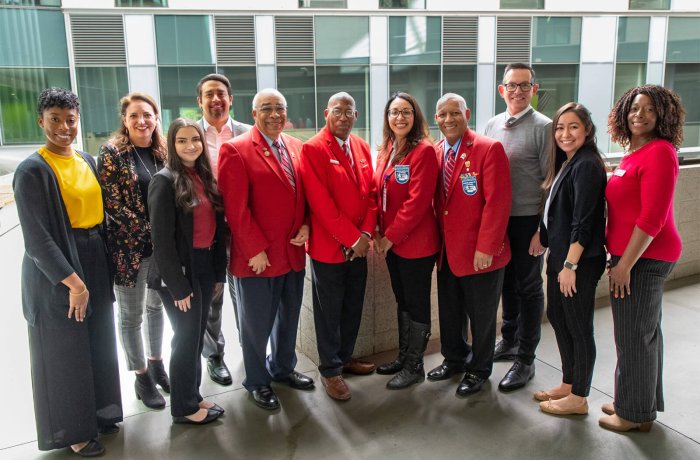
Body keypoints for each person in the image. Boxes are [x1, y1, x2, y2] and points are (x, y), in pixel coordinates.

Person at [13, 87, 123, 456]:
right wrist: (74, 283)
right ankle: (73, 430)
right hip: (58, 270)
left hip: (94, 256)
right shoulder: (33, 170)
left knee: (98, 342)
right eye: (55, 119)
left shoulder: (87, 161)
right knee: (65, 352)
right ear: (41, 120)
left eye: (70, 119)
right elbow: (37, 239)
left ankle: (100, 412)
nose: (63, 127)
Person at [218, 89, 314, 410]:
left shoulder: (297, 147)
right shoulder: (236, 150)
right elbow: (236, 208)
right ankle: (258, 381)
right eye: (267, 109)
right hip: (257, 258)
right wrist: (254, 249)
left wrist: (307, 226)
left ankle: (284, 368)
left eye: (280, 109)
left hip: (292, 252)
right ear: (254, 112)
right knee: (256, 325)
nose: (274, 115)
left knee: (288, 319)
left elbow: (305, 196)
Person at [599, 85, 685, 433]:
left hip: (644, 259)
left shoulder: (661, 152)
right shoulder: (634, 153)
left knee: (635, 336)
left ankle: (635, 415)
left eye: (650, 110)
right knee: (642, 333)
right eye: (635, 108)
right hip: (631, 256)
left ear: (662, 115)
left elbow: (653, 218)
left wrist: (624, 265)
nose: (640, 115)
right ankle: (634, 400)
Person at [429, 93, 512, 396]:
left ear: (467, 113)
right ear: (435, 119)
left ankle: (479, 369)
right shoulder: (436, 151)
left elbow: (498, 202)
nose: (448, 120)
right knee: (450, 312)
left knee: (482, 316)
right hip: (447, 252)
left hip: (480, 253)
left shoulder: (488, 149)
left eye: (454, 113)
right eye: (442, 115)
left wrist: (486, 247)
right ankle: (454, 359)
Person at [148, 118, 226, 425]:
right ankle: (183, 408)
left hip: (205, 267)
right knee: (185, 338)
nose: (190, 145)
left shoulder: (204, 176)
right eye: (182, 140)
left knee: (195, 338)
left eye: (195, 139)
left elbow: (218, 230)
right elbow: (161, 241)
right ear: (172, 143)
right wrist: (178, 287)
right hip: (180, 273)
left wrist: (219, 273)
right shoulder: (163, 181)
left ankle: (191, 394)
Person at [300, 92, 377, 401]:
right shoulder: (313, 148)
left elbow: (371, 193)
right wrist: (352, 238)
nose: (343, 117)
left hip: (359, 247)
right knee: (329, 311)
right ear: (326, 113)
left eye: (349, 112)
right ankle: (330, 370)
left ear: (356, 116)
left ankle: (345, 357)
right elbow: (320, 202)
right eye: (338, 111)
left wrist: (367, 235)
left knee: (352, 306)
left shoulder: (360, 146)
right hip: (330, 249)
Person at [98, 92, 170, 409]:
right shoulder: (112, 153)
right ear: (125, 121)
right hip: (128, 251)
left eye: (147, 115)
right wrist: (154, 231)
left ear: (156, 118)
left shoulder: (164, 153)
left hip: (162, 252)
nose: (142, 121)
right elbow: (112, 204)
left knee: (156, 308)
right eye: (134, 116)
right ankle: (141, 377)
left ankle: (156, 362)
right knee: (131, 317)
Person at [483, 63, 552, 392]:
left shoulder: (544, 127)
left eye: (525, 86)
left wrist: (543, 230)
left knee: (528, 287)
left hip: (528, 222)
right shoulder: (491, 125)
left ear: (534, 90)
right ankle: (508, 340)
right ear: (502, 90)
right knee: (506, 283)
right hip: (499, 221)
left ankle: (526, 357)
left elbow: (550, 184)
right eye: (512, 85)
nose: (518, 91)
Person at [535, 103, 607, 416]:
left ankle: (579, 397)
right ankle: (568, 382)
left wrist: (570, 266)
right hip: (559, 258)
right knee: (559, 317)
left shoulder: (588, 164)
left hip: (576, 263)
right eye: (560, 128)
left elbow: (584, 221)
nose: (565, 134)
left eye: (573, 127)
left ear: (587, 130)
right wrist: (542, 235)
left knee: (579, 327)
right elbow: (556, 208)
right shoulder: (568, 162)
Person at [373, 91, 440, 389]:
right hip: (393, 244)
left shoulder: (423, 151)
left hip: (416, 245)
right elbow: (379, 194)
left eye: (406, 112)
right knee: (403, 300)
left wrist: (389, 237)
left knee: (417, 303)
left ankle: (415, 366)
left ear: (415, 118)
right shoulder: (388, 148)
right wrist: (380, 232)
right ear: (387, 118)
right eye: (394, 112)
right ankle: (404, 357)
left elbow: (417, 203)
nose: (399, 117)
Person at [196, 73, 252, 386]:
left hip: (242, 227)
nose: (216, 100)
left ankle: (251, 349)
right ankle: (214, 356)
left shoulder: (247, 132)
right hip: (208, 229)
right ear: (200, 101)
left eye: (221, 94)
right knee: (213, 295)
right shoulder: (189, 136)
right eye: (209, 95)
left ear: (230, 99)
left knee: (244, 293)